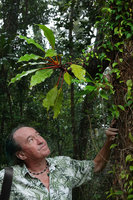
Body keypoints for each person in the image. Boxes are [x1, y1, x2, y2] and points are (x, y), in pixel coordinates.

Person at [0, 125, 118, 200]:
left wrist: (108, 141)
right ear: (21, 154)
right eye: (31, 140)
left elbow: (96, 165)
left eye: (38, 135)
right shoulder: (7, 177)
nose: (41, 141)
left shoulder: (64, 165)